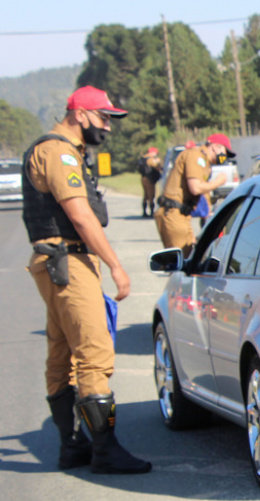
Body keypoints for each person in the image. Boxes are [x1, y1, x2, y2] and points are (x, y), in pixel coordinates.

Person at [21, 85, 151, 474]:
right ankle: (105, 450)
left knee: (62, 353)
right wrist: (115, 264)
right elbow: (79, 215)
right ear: (80, 113)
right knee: (94, 354)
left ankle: (71, 446)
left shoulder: (61, 150)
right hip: (68, 261)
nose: (107, 127)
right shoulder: (59, 152)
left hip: (55, 262)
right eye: (103, 117)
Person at [154, 133, 235, 257]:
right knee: (182, 262)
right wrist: (218, 182)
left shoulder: (204, 161)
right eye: (225, 153)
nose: (225, 158)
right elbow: (196, 188)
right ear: (216, 147)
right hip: (174, 213)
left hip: (181, 214)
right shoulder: (196, 157)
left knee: (190, 256)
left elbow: (202, 191)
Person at [138, 146, 162, 217]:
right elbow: (157, 167)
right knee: (151, 195)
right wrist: (158, 162)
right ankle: (151, 212)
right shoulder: (151, 159)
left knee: (145, 195)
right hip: (149, 179)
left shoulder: (143, 158)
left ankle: (144, 212)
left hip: (143, 178)